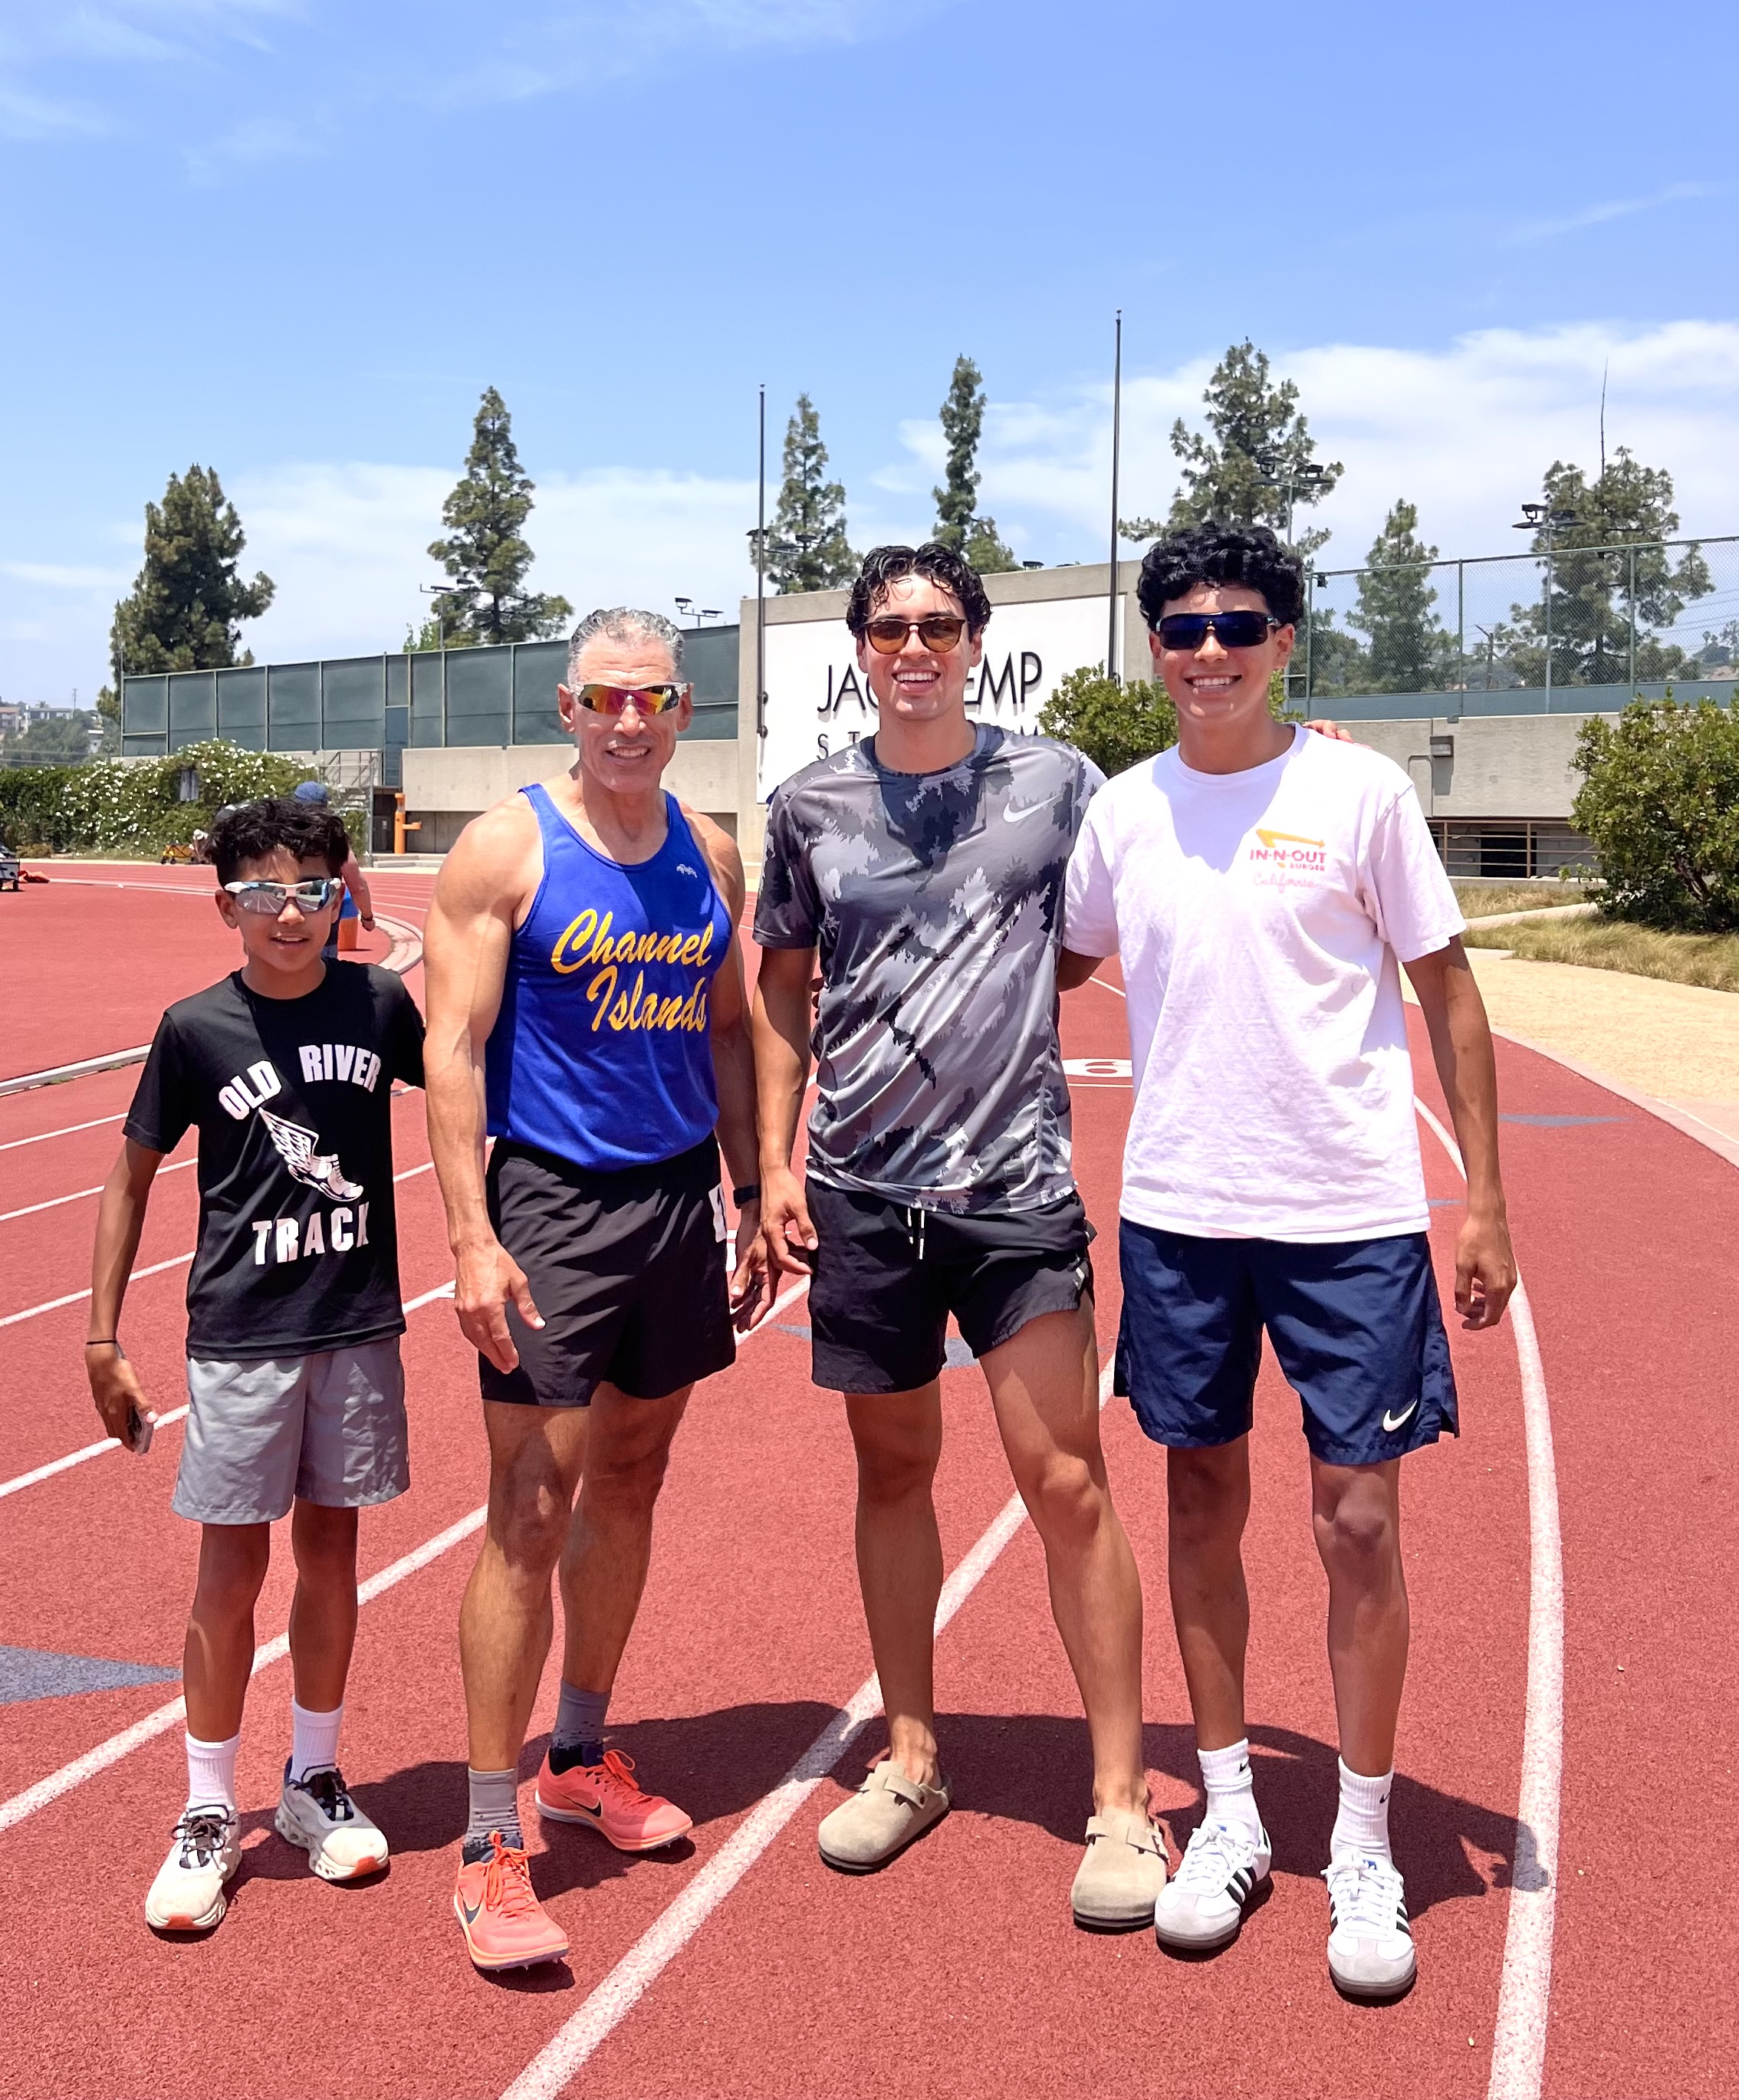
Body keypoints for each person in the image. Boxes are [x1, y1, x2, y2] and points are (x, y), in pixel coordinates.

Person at [1060, 520, 1517, 1998]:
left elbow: (1445, 993)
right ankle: (1231, 1806)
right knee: (1197, 1496)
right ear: (1151, 646)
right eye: (1181, 627)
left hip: (1348, 1215)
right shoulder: (1119, 813)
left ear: (1283, 639)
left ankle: (1367, 1835)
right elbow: (1048, 954)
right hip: (1180, 1209)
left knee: (1358, 1524)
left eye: (1236, 625)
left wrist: (1486, 1201)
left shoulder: (1360, 791)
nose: (1207, 651)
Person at [752, 543, 1163, 1931]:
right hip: (862, 1193)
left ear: (972, 639)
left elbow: (1099, 921)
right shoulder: (805, 805)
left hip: (1013, 1190)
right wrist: (771, 1161)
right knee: (891, 1473)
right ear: (857, 648)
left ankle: (1121, 1797)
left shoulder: (1055, 783)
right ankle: (913, 1753)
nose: (912, 645)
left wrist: (1305, 762)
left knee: (1065, 1480)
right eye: (888, 627)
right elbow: (782, 982)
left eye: (936, 623)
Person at [423, 606, 772, 1973]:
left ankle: (577, 1751)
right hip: (550, 1201)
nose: (631, 720)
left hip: (677, 1197)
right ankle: (483, 1835)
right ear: (568, 706)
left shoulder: (710, 854)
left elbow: (728, 1030)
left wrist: (753, 1186)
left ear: (683, 709)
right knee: (527, 1504)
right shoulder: (505, 848)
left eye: (655, 699)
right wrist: (467, 1234)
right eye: (605, 698)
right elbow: (451, 1050)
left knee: (630, 1474)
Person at [86, 796, 425, 1934]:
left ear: (344, 894)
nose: (292, 912)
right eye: (268, 891)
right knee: (229, 1572)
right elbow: (129, 1176)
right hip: (240, 1335)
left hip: (358, 1323)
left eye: (315, 888)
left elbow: (478, 1063)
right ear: (224, 902)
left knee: (332, 1550)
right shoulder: (195, 1027)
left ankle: (313, 1779)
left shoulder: (379, 1002)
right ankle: (206, 1805)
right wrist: (101, 1335)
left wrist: (423, 950)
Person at [292, 780, 375, 960]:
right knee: (323, 981)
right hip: (321, 925)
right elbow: (356, 883)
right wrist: (367, 917)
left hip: (278, 927)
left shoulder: (276, 834)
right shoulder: (332, 837)